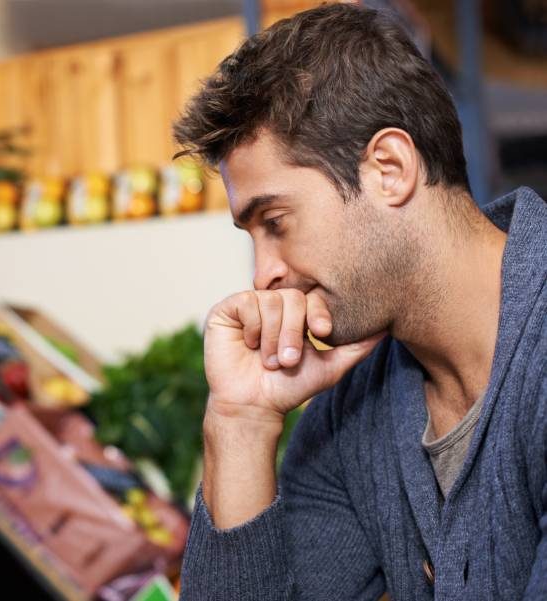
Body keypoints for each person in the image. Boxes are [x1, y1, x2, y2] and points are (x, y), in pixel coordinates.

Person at [171, 4, 547, 600]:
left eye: (275, 221)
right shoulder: (352, 406)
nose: (263, 277)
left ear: (390, 170)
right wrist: (240, 423)